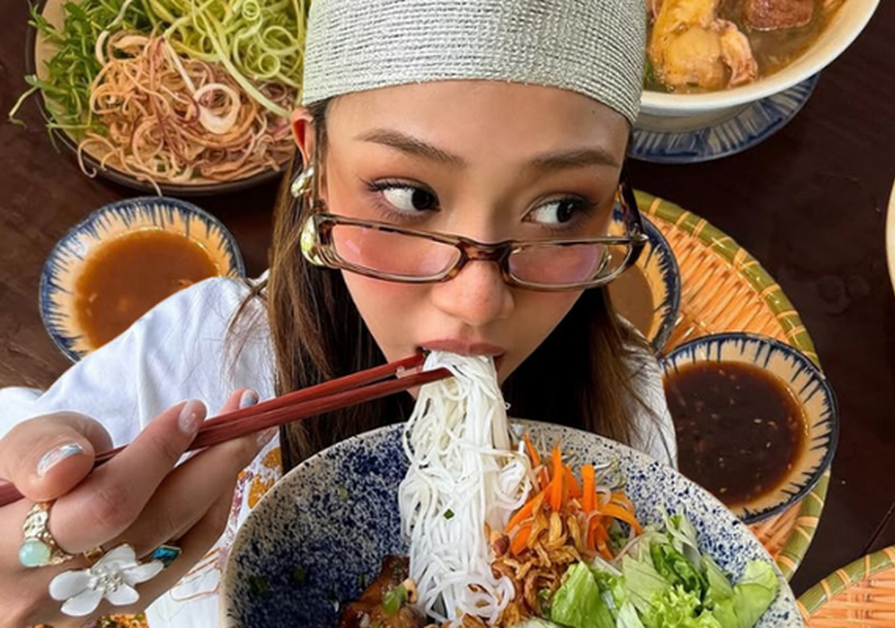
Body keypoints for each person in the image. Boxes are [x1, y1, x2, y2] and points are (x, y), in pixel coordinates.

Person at [0, 0, 675, 625]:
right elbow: (28, 456)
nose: (477, 300)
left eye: (562, 209)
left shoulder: (628, 401)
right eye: (410, 196)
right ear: (315, 162)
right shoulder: (193, 355)